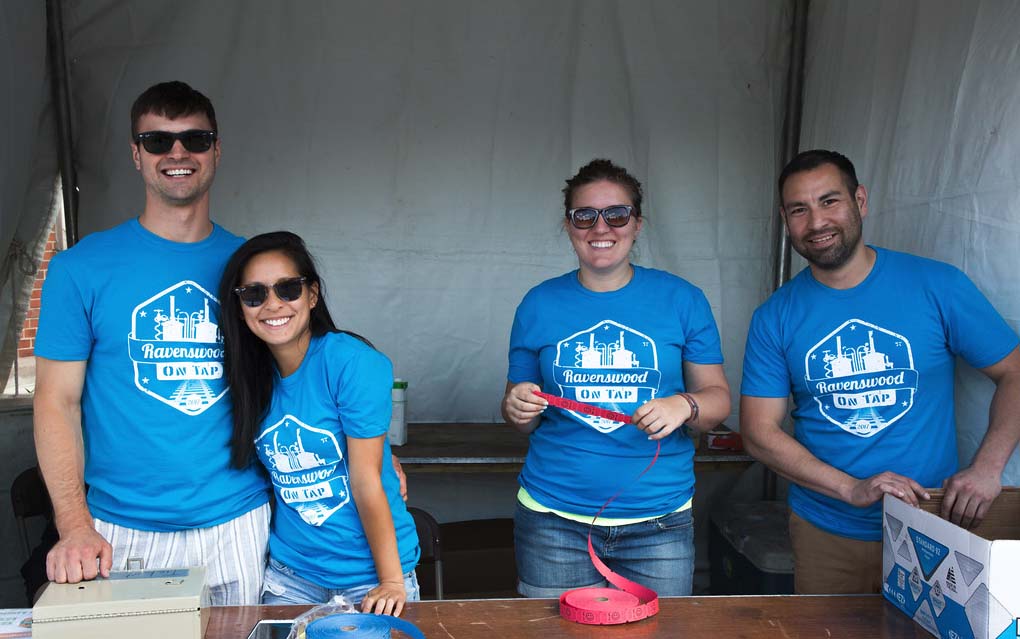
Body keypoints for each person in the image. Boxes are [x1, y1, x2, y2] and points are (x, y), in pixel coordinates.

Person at [740, 149, 1020, 594]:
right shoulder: (775, 316)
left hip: (933, 525)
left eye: (829, 201)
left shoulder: (936, 285)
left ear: (860, 200)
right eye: (799, 209)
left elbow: (1014, 371)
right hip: (827, 531)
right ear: (785, 219)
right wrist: (851, 488)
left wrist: (988, 468)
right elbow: (758, 432)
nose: (816, 222)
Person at [33, 81, 270, 603]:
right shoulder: (80, 268)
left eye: (195, 139)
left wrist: (364, 448)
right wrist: (74, 525)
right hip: (121, 530)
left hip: (239, 519)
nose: (178, 153)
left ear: (217, 150)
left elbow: (301, 371)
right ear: (135, 154)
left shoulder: (252, 267)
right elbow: (56, 400)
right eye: (158, 141)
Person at [501, 158, 731, 597]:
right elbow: (519, 413)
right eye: (584, 215)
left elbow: (718, 400)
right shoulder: (538, 303)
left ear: (638, 224)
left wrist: (684, 404)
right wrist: (517, 405)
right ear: (569, 226)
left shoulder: (682, 299)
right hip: (554, 520)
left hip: (658, 521)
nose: (600, 227)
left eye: (617, 214)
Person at [218, 231, 419, 615]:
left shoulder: (352, 363)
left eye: (288, 289)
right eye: (255, 295)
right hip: (290, 576)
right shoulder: (248, 378)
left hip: (371, 576)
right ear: (241, 307)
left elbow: (365, 479)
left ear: (311, 295)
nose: (273, 305)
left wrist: (391, 581)